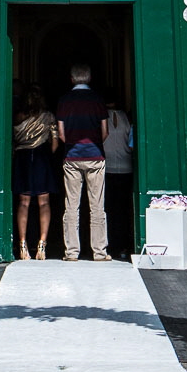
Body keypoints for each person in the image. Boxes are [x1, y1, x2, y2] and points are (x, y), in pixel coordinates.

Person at [56, 64, 110, 261]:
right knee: (97, 205)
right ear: (89, 78)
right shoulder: (98, 100)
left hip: (72, 156)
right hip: (95, 156)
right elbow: (105, 132)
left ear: (71, 79)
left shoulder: (64, 101)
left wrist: (72, 144)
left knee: (71, 205)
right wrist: (94, 145)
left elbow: (61, 134)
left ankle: (71, 252)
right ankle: (99, 251)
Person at [12, 85, 59, 261]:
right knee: (44, 202)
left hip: (22, 158)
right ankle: (42, 245)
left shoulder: (17, 117)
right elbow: (55, 143)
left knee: (23, 203)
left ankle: (23, 246)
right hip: (41, 158)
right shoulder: (48, 117)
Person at [103, 96, 133, 261]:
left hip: (106, 168)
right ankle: (122, 245)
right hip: (125, 167)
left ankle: (108, 245)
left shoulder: (100, 117)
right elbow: (131, 143)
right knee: (122, 210)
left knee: (107, 209)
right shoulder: (126, 118)